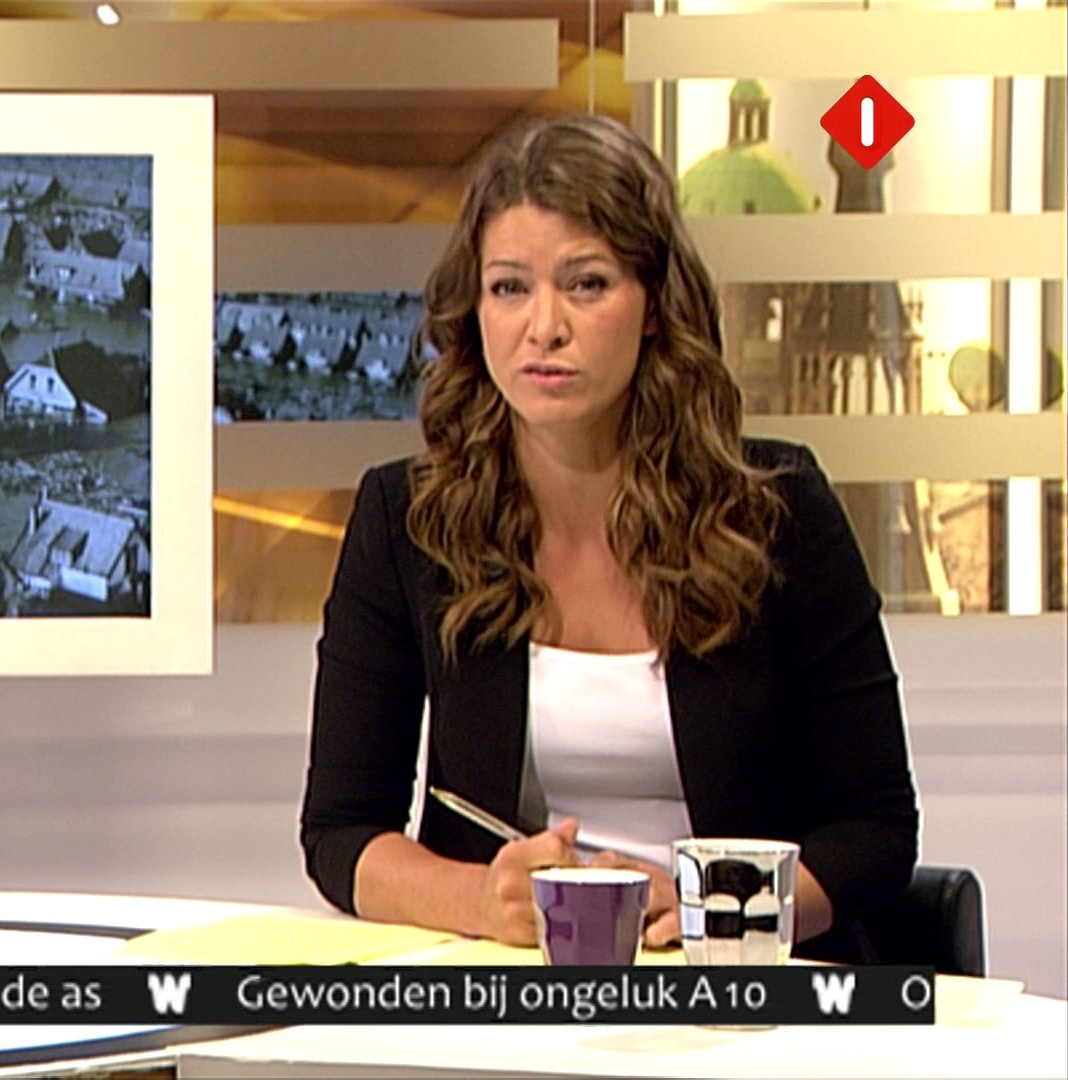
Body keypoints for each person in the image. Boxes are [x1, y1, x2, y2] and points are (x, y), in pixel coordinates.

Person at [299, 113, 918, 961]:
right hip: (507, 985)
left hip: (730, 987)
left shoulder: (777, 510)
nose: (543, 327)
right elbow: (340, 833)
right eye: (509, 288)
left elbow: (876, 831)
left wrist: (715, 911)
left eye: (586, 284)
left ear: (655, 304)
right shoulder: (407, 518)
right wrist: (481, 899)